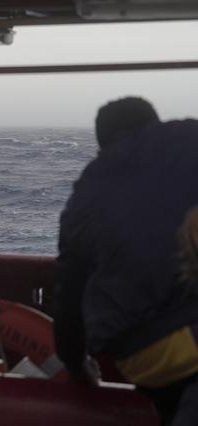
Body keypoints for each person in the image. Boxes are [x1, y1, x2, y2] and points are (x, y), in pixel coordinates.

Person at [54, 97, 198, 426]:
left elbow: (69, 296)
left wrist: (76, 366)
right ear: (156, 122)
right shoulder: (190, 136)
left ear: (101, 144)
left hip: (147, 355)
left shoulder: (83, 196)